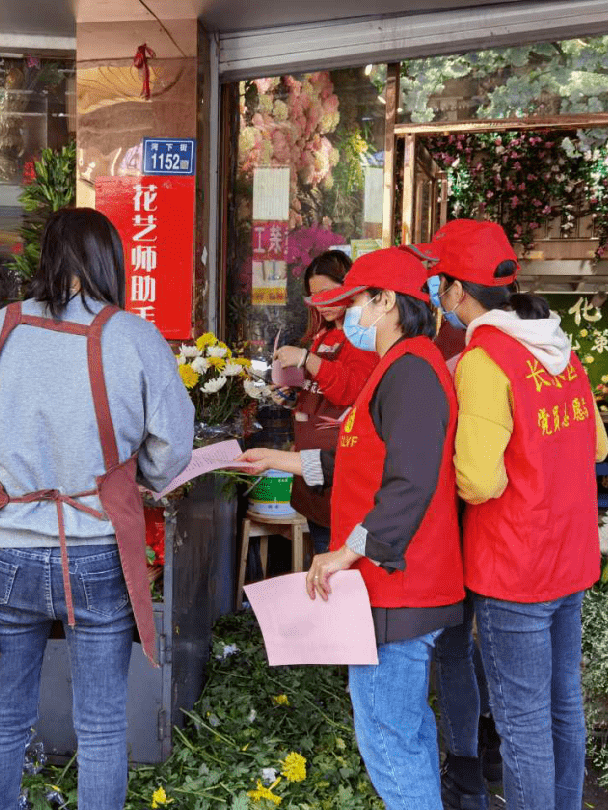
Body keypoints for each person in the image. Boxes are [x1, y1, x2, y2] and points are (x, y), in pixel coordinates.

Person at [0, 208, 194, 810]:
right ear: (110, 262)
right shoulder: (134, 337)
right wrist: (137, 479)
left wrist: (11, 483)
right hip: (95, 551)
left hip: (6, 552)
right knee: (104, 725)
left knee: (4, 715)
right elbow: (173, 450)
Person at [240, 247, 465, 810]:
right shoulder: (403, 365)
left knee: (389, 740)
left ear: (388, 302)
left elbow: (409, 482)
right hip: (399, 581)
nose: (353, 319)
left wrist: (346, 552)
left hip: (400, 583)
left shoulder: (411, 371)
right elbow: (363, 460)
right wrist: (280, 459)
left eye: (360, 304)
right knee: (403, 733)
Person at [416, 219, 608, 810]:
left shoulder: (484, 358)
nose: (436, 294)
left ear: (456, 292)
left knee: (523, 724)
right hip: (570, 560)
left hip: (515, 568)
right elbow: (597, 447)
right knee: (562, 708)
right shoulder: (558, 348)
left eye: (438, 283)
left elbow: (478, 480)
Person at [271, 250, 378, 553]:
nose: (321, 301)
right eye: (313, 295)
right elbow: (321, 391)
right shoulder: (322, 335)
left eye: (328, 292)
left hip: (338, 471)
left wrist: (306, 358)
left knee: (336, 563)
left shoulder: (364, 340)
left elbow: (349, 390)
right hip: (312, 473)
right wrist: (294, 400)